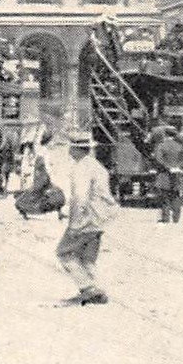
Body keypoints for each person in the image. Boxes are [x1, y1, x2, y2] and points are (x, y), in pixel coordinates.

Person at [56, 131, 118, 306]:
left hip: (87, 217)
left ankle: (88, 288)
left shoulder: (81, 168)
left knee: (64, 252)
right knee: (87, 258)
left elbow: (81, 197)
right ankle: (95, 291)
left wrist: (74, 223)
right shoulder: (96, 165)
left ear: (75, 149)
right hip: (102, 217)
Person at [14, 132, 65, 219]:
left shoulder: (43, 150)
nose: (53, 143)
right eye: (51, 141)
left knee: (53, 192)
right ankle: (22, 206)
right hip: (43, 176)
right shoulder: (44, 151)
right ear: (48, 141)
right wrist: (48, 175)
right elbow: (44, 165)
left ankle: (59, 212)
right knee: (39, 193)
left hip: (43, 175)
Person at [152, 125, 183, 223]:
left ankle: (166, 218)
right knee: (176, 196)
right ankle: (176, 218)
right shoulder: (179, 145)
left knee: (165, 197)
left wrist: (167, 167)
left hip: (164, 175)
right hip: (177, 175)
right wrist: (177, 167)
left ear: (165, 134)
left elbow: (158, 159)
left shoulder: (161, 145)